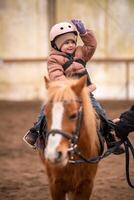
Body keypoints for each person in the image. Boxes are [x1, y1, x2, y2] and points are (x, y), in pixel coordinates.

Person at [23, 19, 124, 154]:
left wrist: (84, 33)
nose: (70, 45)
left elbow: (91, 46)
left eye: (72, 41)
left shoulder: (81, 52)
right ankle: (35, 130)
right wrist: (70, 90)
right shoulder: (53, 59)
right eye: (66, 42)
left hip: (84, 92)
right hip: (63, 93)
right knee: (47, 108)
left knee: (99, 111)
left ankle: (109, 136)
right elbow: (57, 76)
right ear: (56, 45)